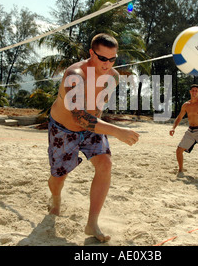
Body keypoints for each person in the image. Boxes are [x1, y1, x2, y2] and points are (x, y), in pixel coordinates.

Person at [47, 33, 140, 242]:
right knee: (59, 178)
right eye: (102, 58)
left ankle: (92, 223)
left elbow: (97, 106)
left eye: (112, 59)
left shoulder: (113, 76)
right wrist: (116, 131)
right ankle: (55, 197)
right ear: (91, 53)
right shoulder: (75, 75)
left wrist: (101, 130)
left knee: (105, 164)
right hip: (63, 128)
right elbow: (79, 116)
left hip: (91, 128)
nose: (108, 64)